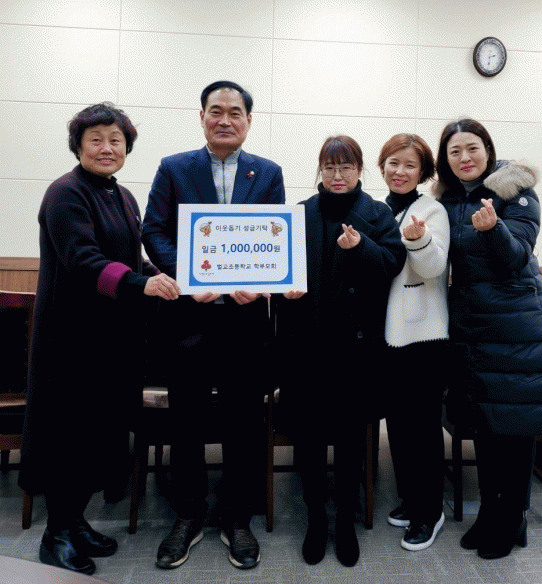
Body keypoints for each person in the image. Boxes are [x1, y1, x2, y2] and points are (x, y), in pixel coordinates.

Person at [18, 102, 180, 576]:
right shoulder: (65, 193)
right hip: (71, 341)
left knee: (97, 437)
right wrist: (140, 284)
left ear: (127, 147)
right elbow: (83, 261)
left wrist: (164, 275)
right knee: (68, 439)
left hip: (112, 342)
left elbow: (129, 258)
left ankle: (75, 521)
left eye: (116, 140)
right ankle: (55, 536)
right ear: (79, 146)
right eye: (96, 140)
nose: (107, 148)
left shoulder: (122, 196)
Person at [142, 80, 284, 571]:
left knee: (244, 424)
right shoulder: (174, 168)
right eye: (216, 111)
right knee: (187, 424)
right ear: (201, 116)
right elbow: (153, 230)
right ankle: (188, 515)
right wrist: (188, 276)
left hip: (245, 323)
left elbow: (274, 238)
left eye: (235, 112)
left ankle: (236, 516)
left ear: (249, 120)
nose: (225, 120)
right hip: (189, 320)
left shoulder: (268, 173)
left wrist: (260, 282)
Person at [434, 118, 542, 559]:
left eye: (472, 148)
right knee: (487, 427)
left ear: (488, 150)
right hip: (472, 328)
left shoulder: (516, 190)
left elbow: (516, 257)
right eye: (455, 151)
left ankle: (512, 518)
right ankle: (492, 513)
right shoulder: (448, 200)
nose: (465, 158)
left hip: (514, 326)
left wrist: (494, 229)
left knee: (516, 427)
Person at [277, 136, 403, 567]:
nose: (337, 176)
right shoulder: (299, 214)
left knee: (351, 442)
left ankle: (346, 521)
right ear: (320, 170)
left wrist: (361, 246)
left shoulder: (377, 213)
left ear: (359, 171)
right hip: (307, 347)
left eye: (345, 167)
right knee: (309, 440)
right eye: (329, 167)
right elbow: (277, 269)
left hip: (356, 350)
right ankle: (316, 519)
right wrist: (284, 290)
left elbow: (392, 264)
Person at [377, 134, 450, 551]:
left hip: (422, 335)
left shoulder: (431, 209)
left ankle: (430, 511)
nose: (400, 171)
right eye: (393, 163)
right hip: (386, 337)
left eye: (409, 165)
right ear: (382, 166)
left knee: (422, 428)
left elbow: (434, 266)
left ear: (423, 171)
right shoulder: (378, 208)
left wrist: (418, 239)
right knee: (399, 425)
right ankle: (410, 498)